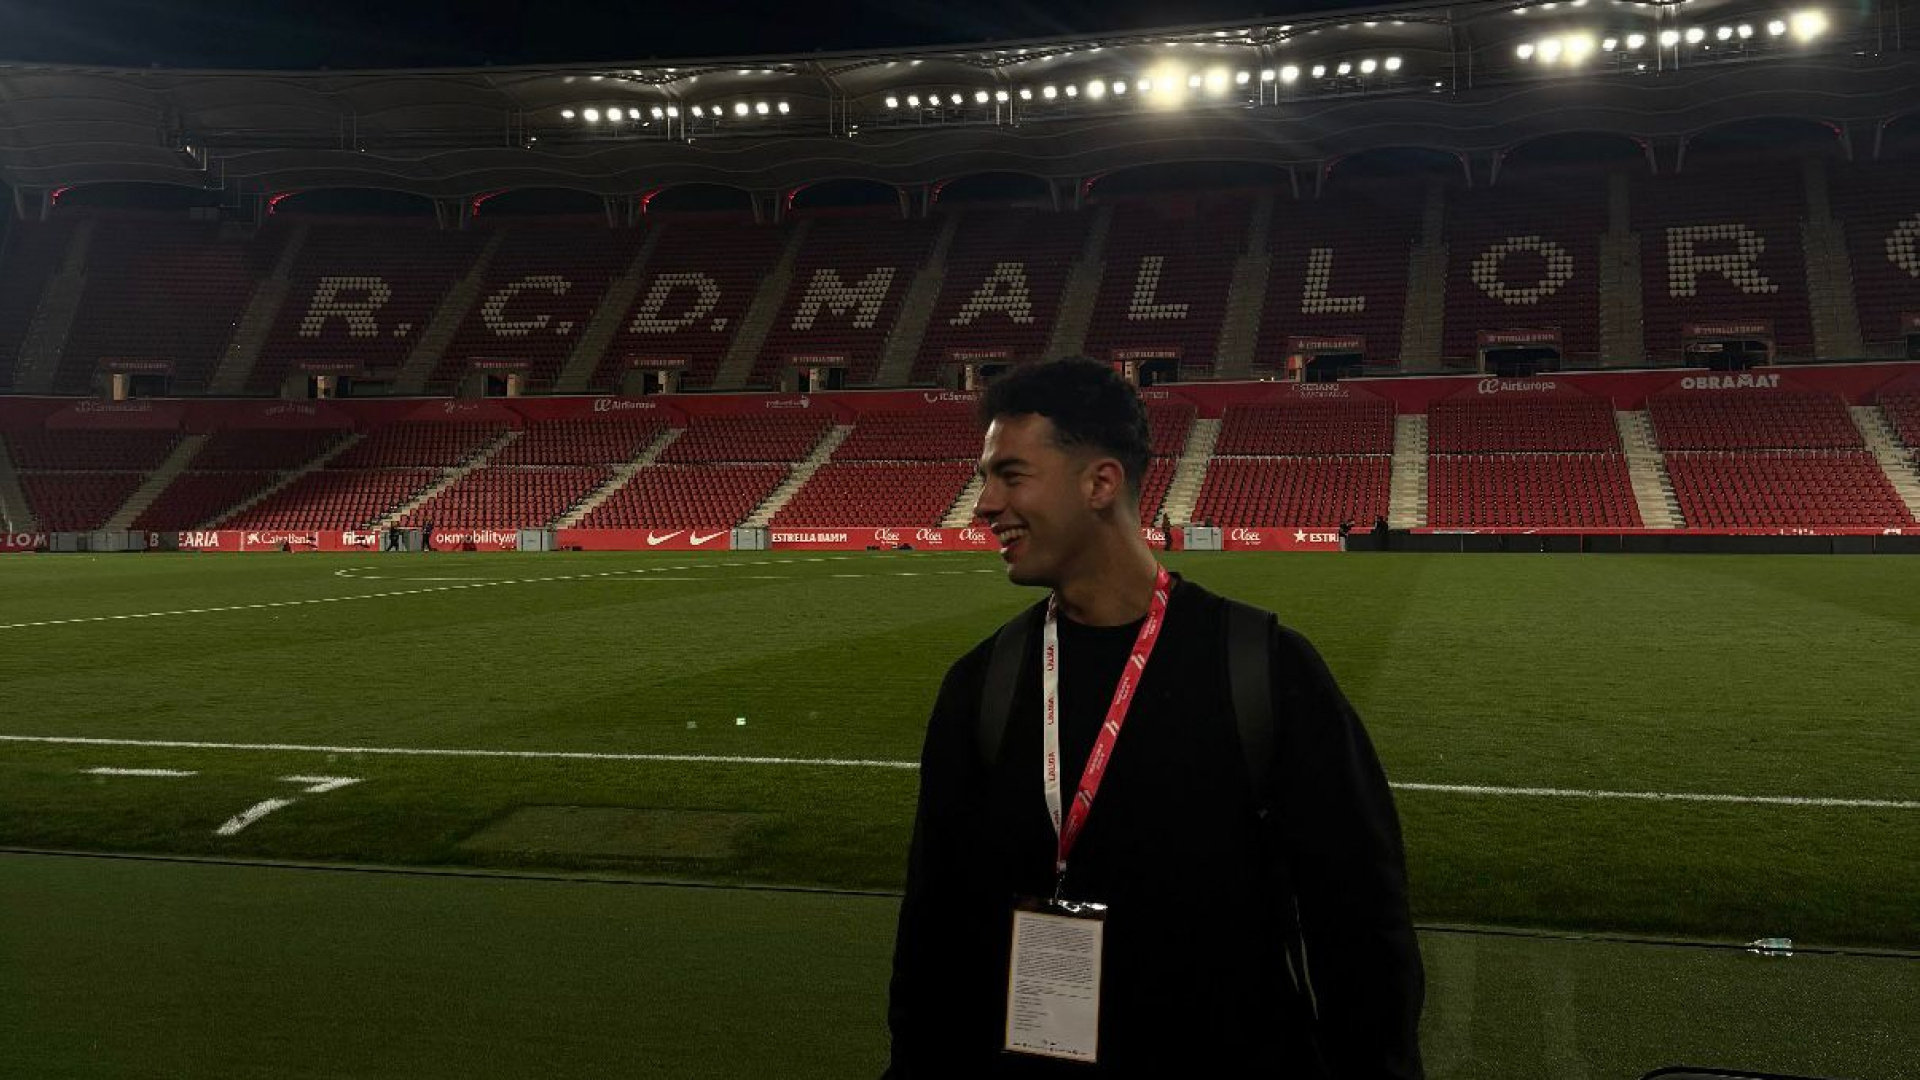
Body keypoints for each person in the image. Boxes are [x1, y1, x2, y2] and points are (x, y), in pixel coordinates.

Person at [885, 359, 1423, 1078]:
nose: (983, 504)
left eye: (1010, 476)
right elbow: (934, 927)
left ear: (1100, 483)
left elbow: (1360, 924)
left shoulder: (1263, 668)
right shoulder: (981, 684)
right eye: (985, 478)